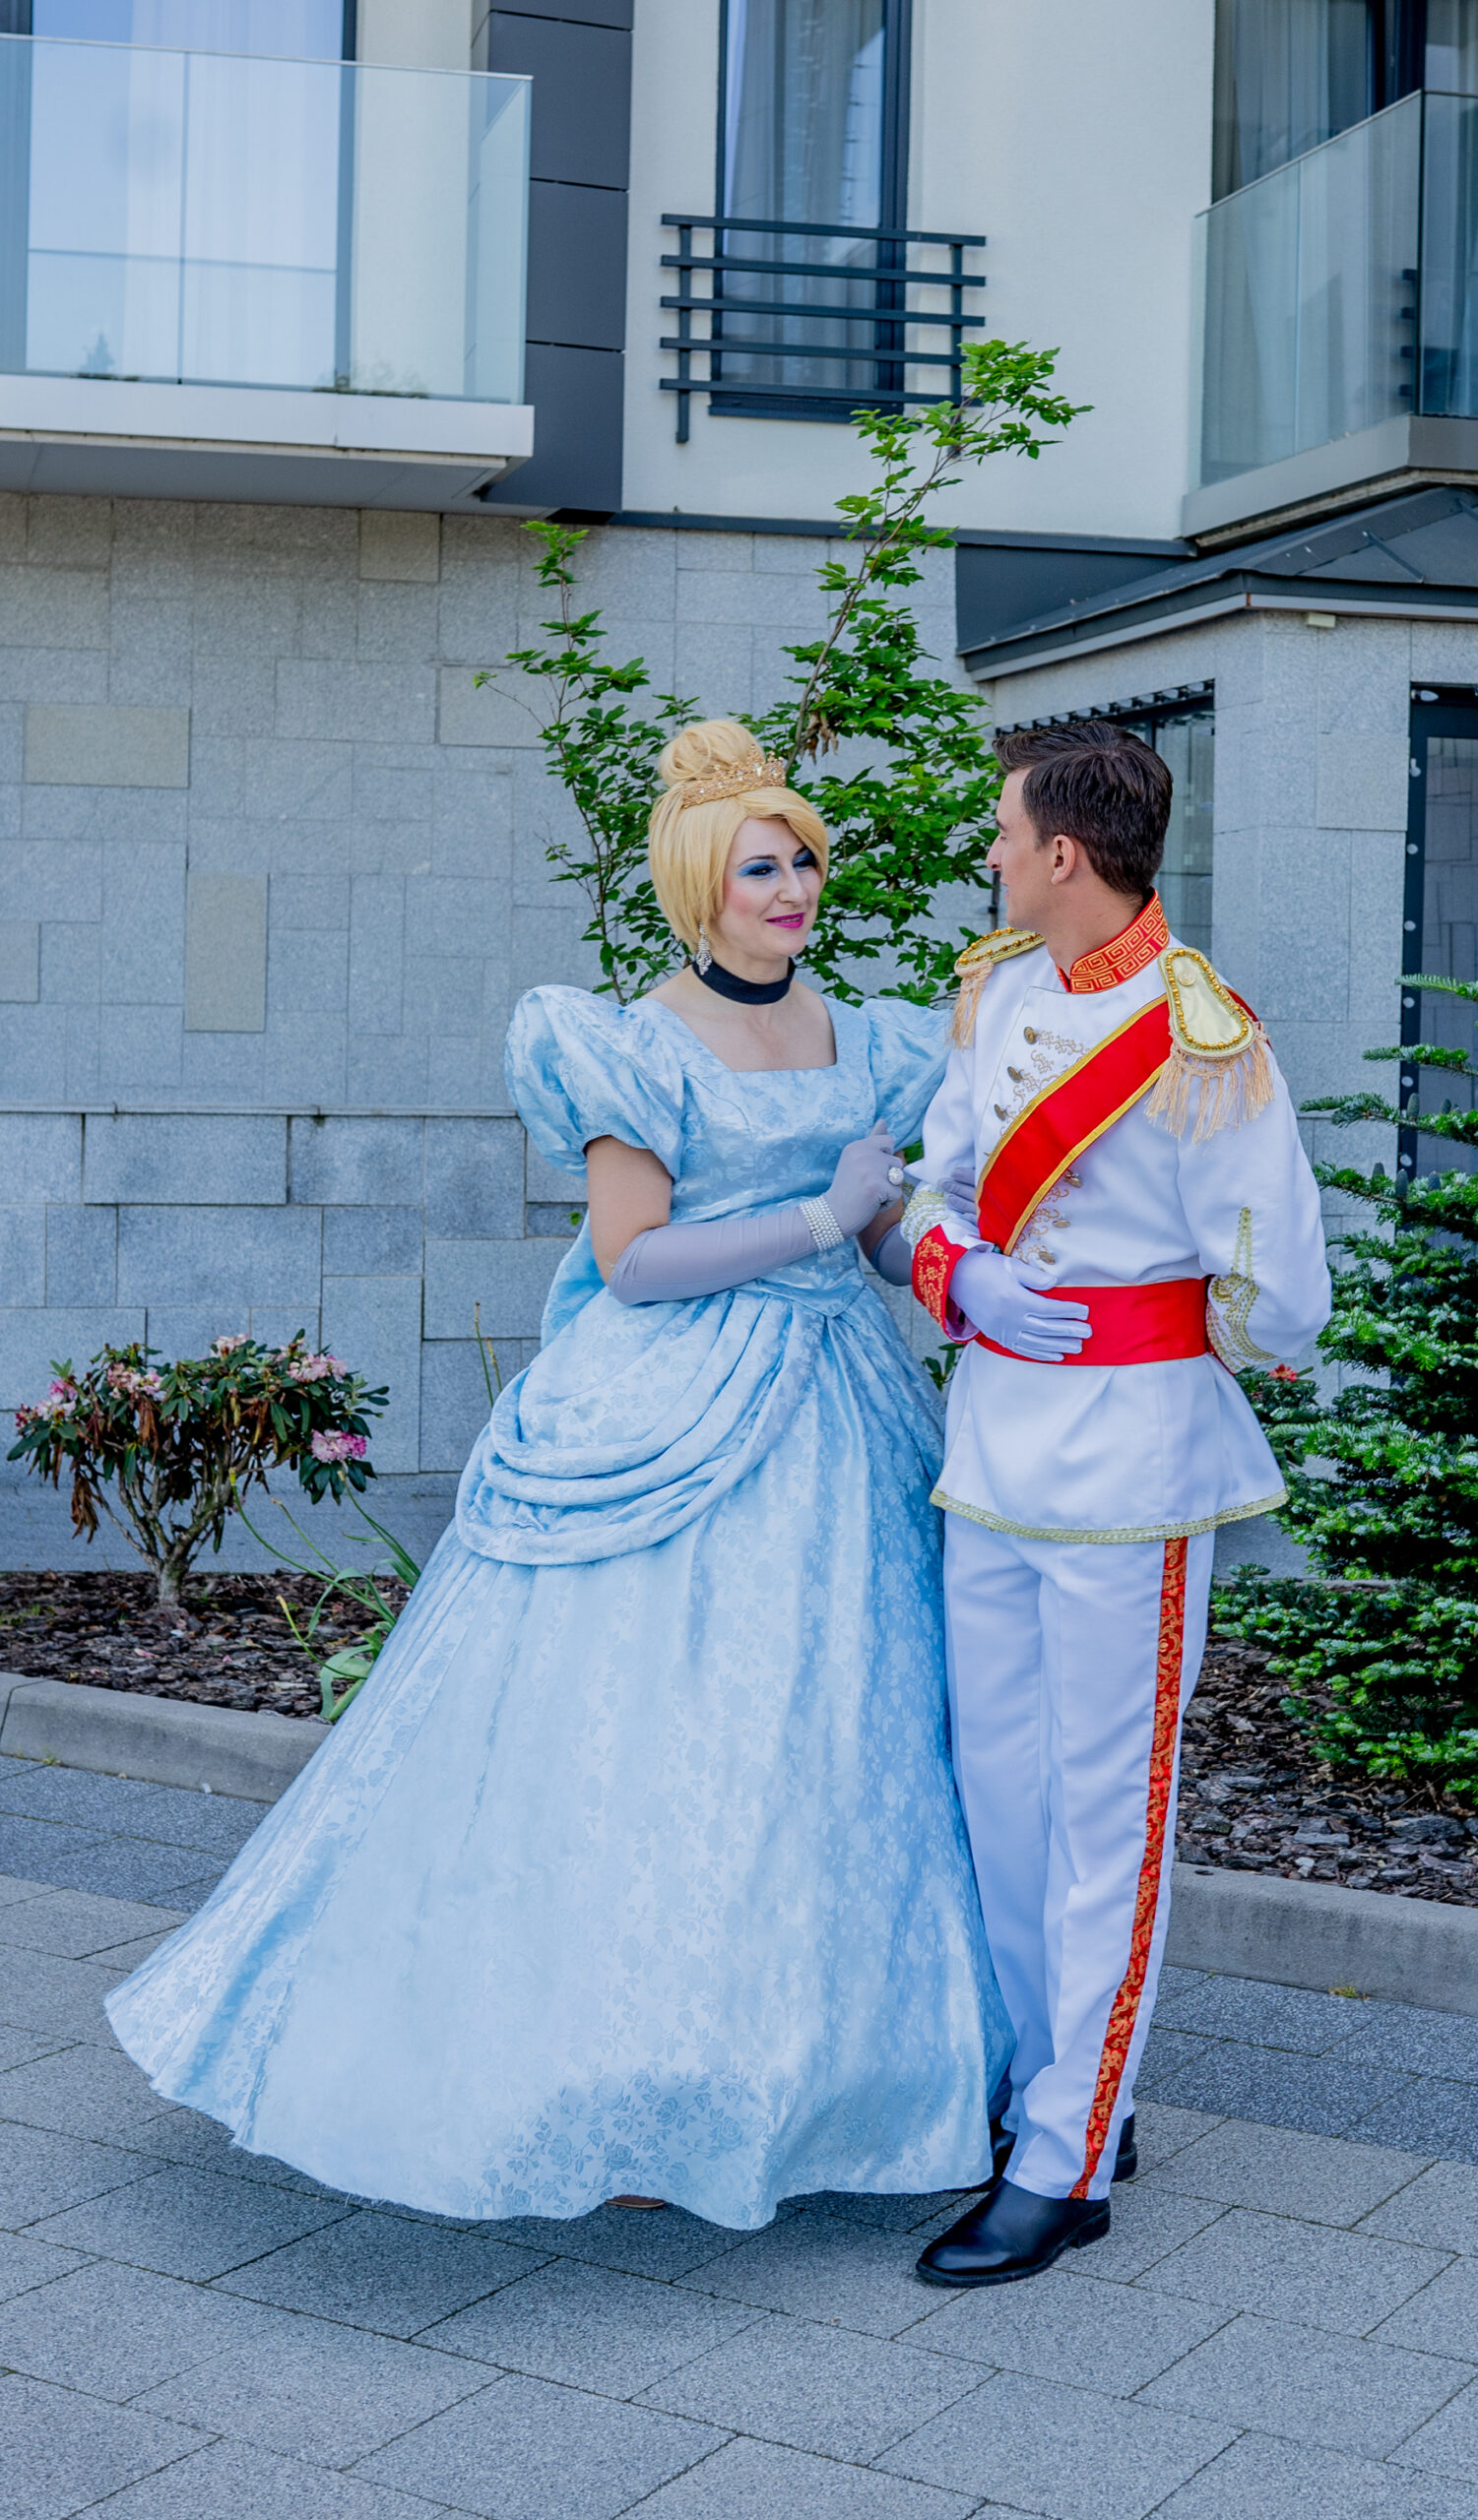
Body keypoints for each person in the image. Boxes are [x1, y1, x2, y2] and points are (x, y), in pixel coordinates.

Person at [106, 719, 1010, 2232]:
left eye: (801, 861)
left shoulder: (864, 1037)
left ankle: (828, 2079)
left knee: (831, 1745)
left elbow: (872, 1228)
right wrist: (818, 1218)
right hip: (668, 1412)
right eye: (760, 869)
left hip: (841, 1418)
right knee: (651, 1748)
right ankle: (625, 2089)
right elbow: (632, 1258)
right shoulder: (631, 1045)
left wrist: (942, 1261)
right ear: (699, 886)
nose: (792, 889)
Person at [902, 724, 1330, 2287]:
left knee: (1105, 1819)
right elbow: (939, 1187)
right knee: (1001, 1799)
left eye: (1006, 835)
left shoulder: (1201, 1035)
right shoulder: (997, 993)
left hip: (1128, 1475)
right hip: (992, 1452)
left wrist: (1142, 1332)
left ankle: (1068, 2159)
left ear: (1065, 855)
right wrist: (967, 1276)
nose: (993, 858)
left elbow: (1282, 1294)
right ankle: (1061, 2088)